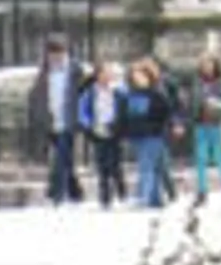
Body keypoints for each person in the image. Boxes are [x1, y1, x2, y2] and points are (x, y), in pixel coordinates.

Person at [119, 56, 179, 207]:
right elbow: (125, 116)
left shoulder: (156, 94)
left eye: (141, 75)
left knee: (146, 166)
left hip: (154, 135)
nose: (138, 79)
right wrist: (124, 132)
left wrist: (168, 126)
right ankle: (155, 199)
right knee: (154, 167)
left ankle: (144, 196)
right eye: (135, 75)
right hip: (137, 136)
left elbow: (168, 112)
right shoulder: (130, 94)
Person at [186, 51, 221, 203]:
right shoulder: (197, 81)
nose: (205, 67)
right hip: (201, 123)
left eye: (208, 64)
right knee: (200, 159)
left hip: (217, 123)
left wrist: (213, 102)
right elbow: (193, 101)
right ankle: (202, 192)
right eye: (202, 64)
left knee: (220, 158)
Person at [36, 37, 84, 206]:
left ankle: (56, 193)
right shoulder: (45, 72)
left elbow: (82, 94)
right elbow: (39, 95)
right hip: (52, 120)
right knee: (66, 159)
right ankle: (75, 191)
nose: (55, 59)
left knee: (60, 157)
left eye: (59, 54)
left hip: (69, 121)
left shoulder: (75, 70)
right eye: (52, 55)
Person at [82, 54, 127, 207]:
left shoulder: (118, 91)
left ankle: (121, 192)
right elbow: (84, 111)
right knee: (102, 165)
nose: (107, 76)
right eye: (103, 73)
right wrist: (88, 125)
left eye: (109, 73)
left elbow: (124, 107)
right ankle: (104, 196)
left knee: (116, 164)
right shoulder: (91, 92)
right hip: (98, 129)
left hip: (115, 129)